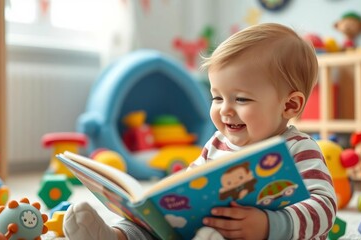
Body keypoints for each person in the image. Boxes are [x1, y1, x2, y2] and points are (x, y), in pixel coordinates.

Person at [63, 22, 337, 240]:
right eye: (217, 98)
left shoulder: (300, 149)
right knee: (154, 222)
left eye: (241, 99)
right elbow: (191, 180)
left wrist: (269, 226)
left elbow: (325, 209)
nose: (225, 110)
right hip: (204, 227)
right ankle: (116, 235)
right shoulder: (217, 143)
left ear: (289, 105)